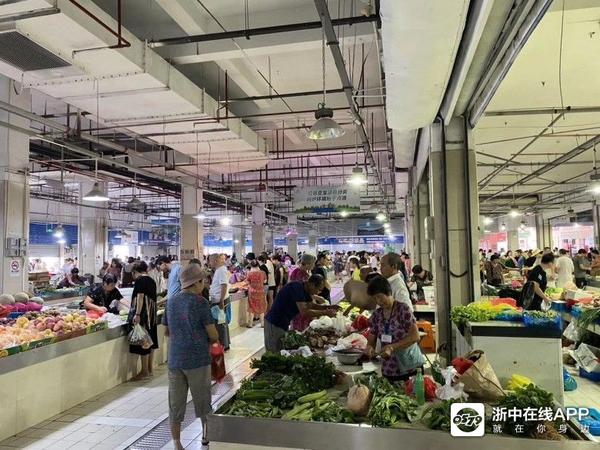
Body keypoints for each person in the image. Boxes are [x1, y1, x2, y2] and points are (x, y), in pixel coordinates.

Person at [164, 263, 219, 449]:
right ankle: (205, 436)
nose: (204, 284)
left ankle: (177, 442)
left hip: (175, 359)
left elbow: (166, 331)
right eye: (202, 280)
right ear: (196, 282)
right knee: (202, 400)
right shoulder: (200, 303)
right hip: (197, 360)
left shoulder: (170, 302)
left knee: (175, 403)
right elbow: (213, 334)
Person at [364, 276, 423, 383]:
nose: (378, 301)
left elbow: (415, 337)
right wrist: (369, 347)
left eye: (380, 297)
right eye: (375, 299)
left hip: (409, 366)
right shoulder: (377, 315)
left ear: (388, 292)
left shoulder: (403, 310)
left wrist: (392, 347)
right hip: (389, 369)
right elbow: (372, 338)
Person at [264, 275, 338, 352]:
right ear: (312, 285)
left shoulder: (305, 291)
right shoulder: (297, 288)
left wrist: (328, 307)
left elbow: (312, 305)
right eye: (318, 290)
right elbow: (305, 312)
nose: (318, 293)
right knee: (274, 351)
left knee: (281, 349)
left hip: (283, 323)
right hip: (274, 323)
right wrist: (325, 312)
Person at [129, 261, 158, 381]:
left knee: (144, 341)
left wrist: (137, 314)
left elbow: (140, 297)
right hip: (152, 315)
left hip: (144, 315)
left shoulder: (140, 280)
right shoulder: (151, 280)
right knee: (150, 340)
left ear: (135, 272)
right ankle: (150, 369)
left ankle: (144, 371)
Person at [208, 254, 231, 351]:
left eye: (210, 261)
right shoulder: (219, 270)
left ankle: (223, 344)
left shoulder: (221, 270)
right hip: (218, 300)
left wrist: (221, 300)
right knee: (221, 323)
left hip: (220, 302)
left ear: (215, 261)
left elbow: (223, 285)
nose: (209, 263)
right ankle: (225, 343)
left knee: (220, 324)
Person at [245, 260, 267, 327]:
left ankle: (250, 324)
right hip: (261, 291)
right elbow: (265, 281)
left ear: (251, 265)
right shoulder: (262, 272)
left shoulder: (249, 273)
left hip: (252, 292)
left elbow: (247, 282)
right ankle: (262, 324)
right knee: (261, 306)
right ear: (258, 265)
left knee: (251, 307)